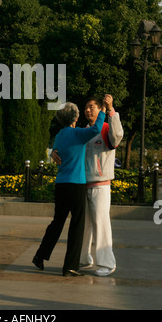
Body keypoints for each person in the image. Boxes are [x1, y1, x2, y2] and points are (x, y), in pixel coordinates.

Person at [52, 94, 124, 277]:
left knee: (100, 222)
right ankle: (84, 259)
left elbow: (117, 138)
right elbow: (65, 145)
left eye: (92, 107)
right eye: (86, 107)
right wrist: (53, 153)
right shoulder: (83, 131)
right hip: (82, 184)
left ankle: (107, 263)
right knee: (84, 225)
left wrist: (111, 110)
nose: (88, 110)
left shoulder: (106, 127)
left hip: (101, 183)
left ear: (100, 109)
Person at [32, 101, 106, 277]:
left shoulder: (59, 136)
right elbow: (96, 129)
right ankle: (70, 266)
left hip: (61, 184)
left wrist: (52, 154)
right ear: (75, 117)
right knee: (76, 225)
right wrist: (102, 110)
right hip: (76, 185)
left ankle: (40, 255)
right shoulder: (78, 134)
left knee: (57, 222)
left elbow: (55, 153)